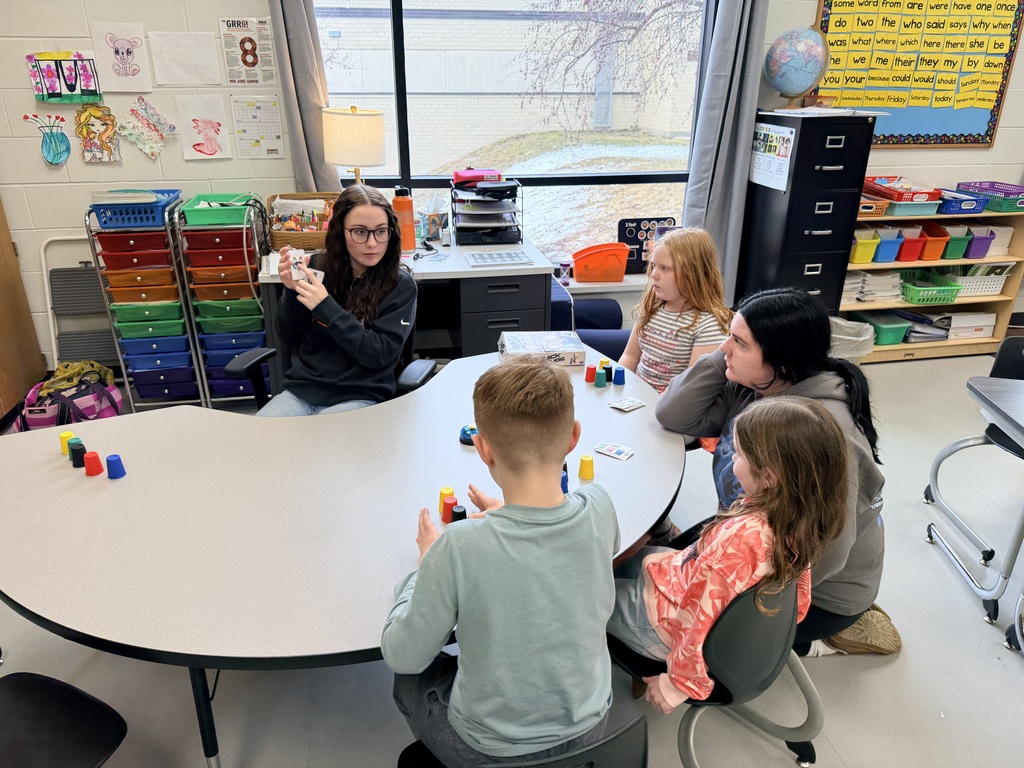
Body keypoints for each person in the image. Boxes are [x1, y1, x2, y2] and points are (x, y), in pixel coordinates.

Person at [382, 360, 620, 766]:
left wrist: (426, 564)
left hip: (486, 749)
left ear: (483, 448)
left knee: (408, 677)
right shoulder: (600, 505)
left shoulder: (457, 547)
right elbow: (563, 555)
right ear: (573, 437)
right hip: (592, 727)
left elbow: (402, 654)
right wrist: (509, 513)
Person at [655, 288, 894, 656]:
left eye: (740, 343)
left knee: (668, 611)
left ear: (781, 361)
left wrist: (723, 589)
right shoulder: (756, 386)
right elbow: (672, 414)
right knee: (660, 564)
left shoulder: (821, 434)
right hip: (754, 537)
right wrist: (727, 357)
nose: (724, 349)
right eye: (728, 336)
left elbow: (829, 550)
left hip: (815, 591)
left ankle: (818, 640)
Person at [608, 397, 848, 712]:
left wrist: (678, 683)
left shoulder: (739, 540)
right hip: (679, 580)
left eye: (738, 454)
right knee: (622, 562)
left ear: (770, 476)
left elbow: (697, 614)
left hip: (664, 622)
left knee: (583, 599)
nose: (732, 459)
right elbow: (798, 596)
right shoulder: (801, 516)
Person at [257, 185, 417, 417]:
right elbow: (288, 335)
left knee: (326, 447)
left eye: (381, 231)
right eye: (360, 232)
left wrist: (325, 307)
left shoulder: (400, 286)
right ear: (340, 232)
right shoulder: (315, 268)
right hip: (301, 392)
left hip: (360, 395)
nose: (372, 243)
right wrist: (292, 290)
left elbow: (379, 356)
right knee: (257, 444)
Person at [618, 228, 732, 394]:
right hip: (636, 399)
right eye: (653, 266)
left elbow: (689, 388)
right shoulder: (650, 307)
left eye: (665, 269)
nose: (654, 275)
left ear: (693, 274)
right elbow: (630, 357)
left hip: (669, 408)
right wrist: (617, 388)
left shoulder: (709, 324)